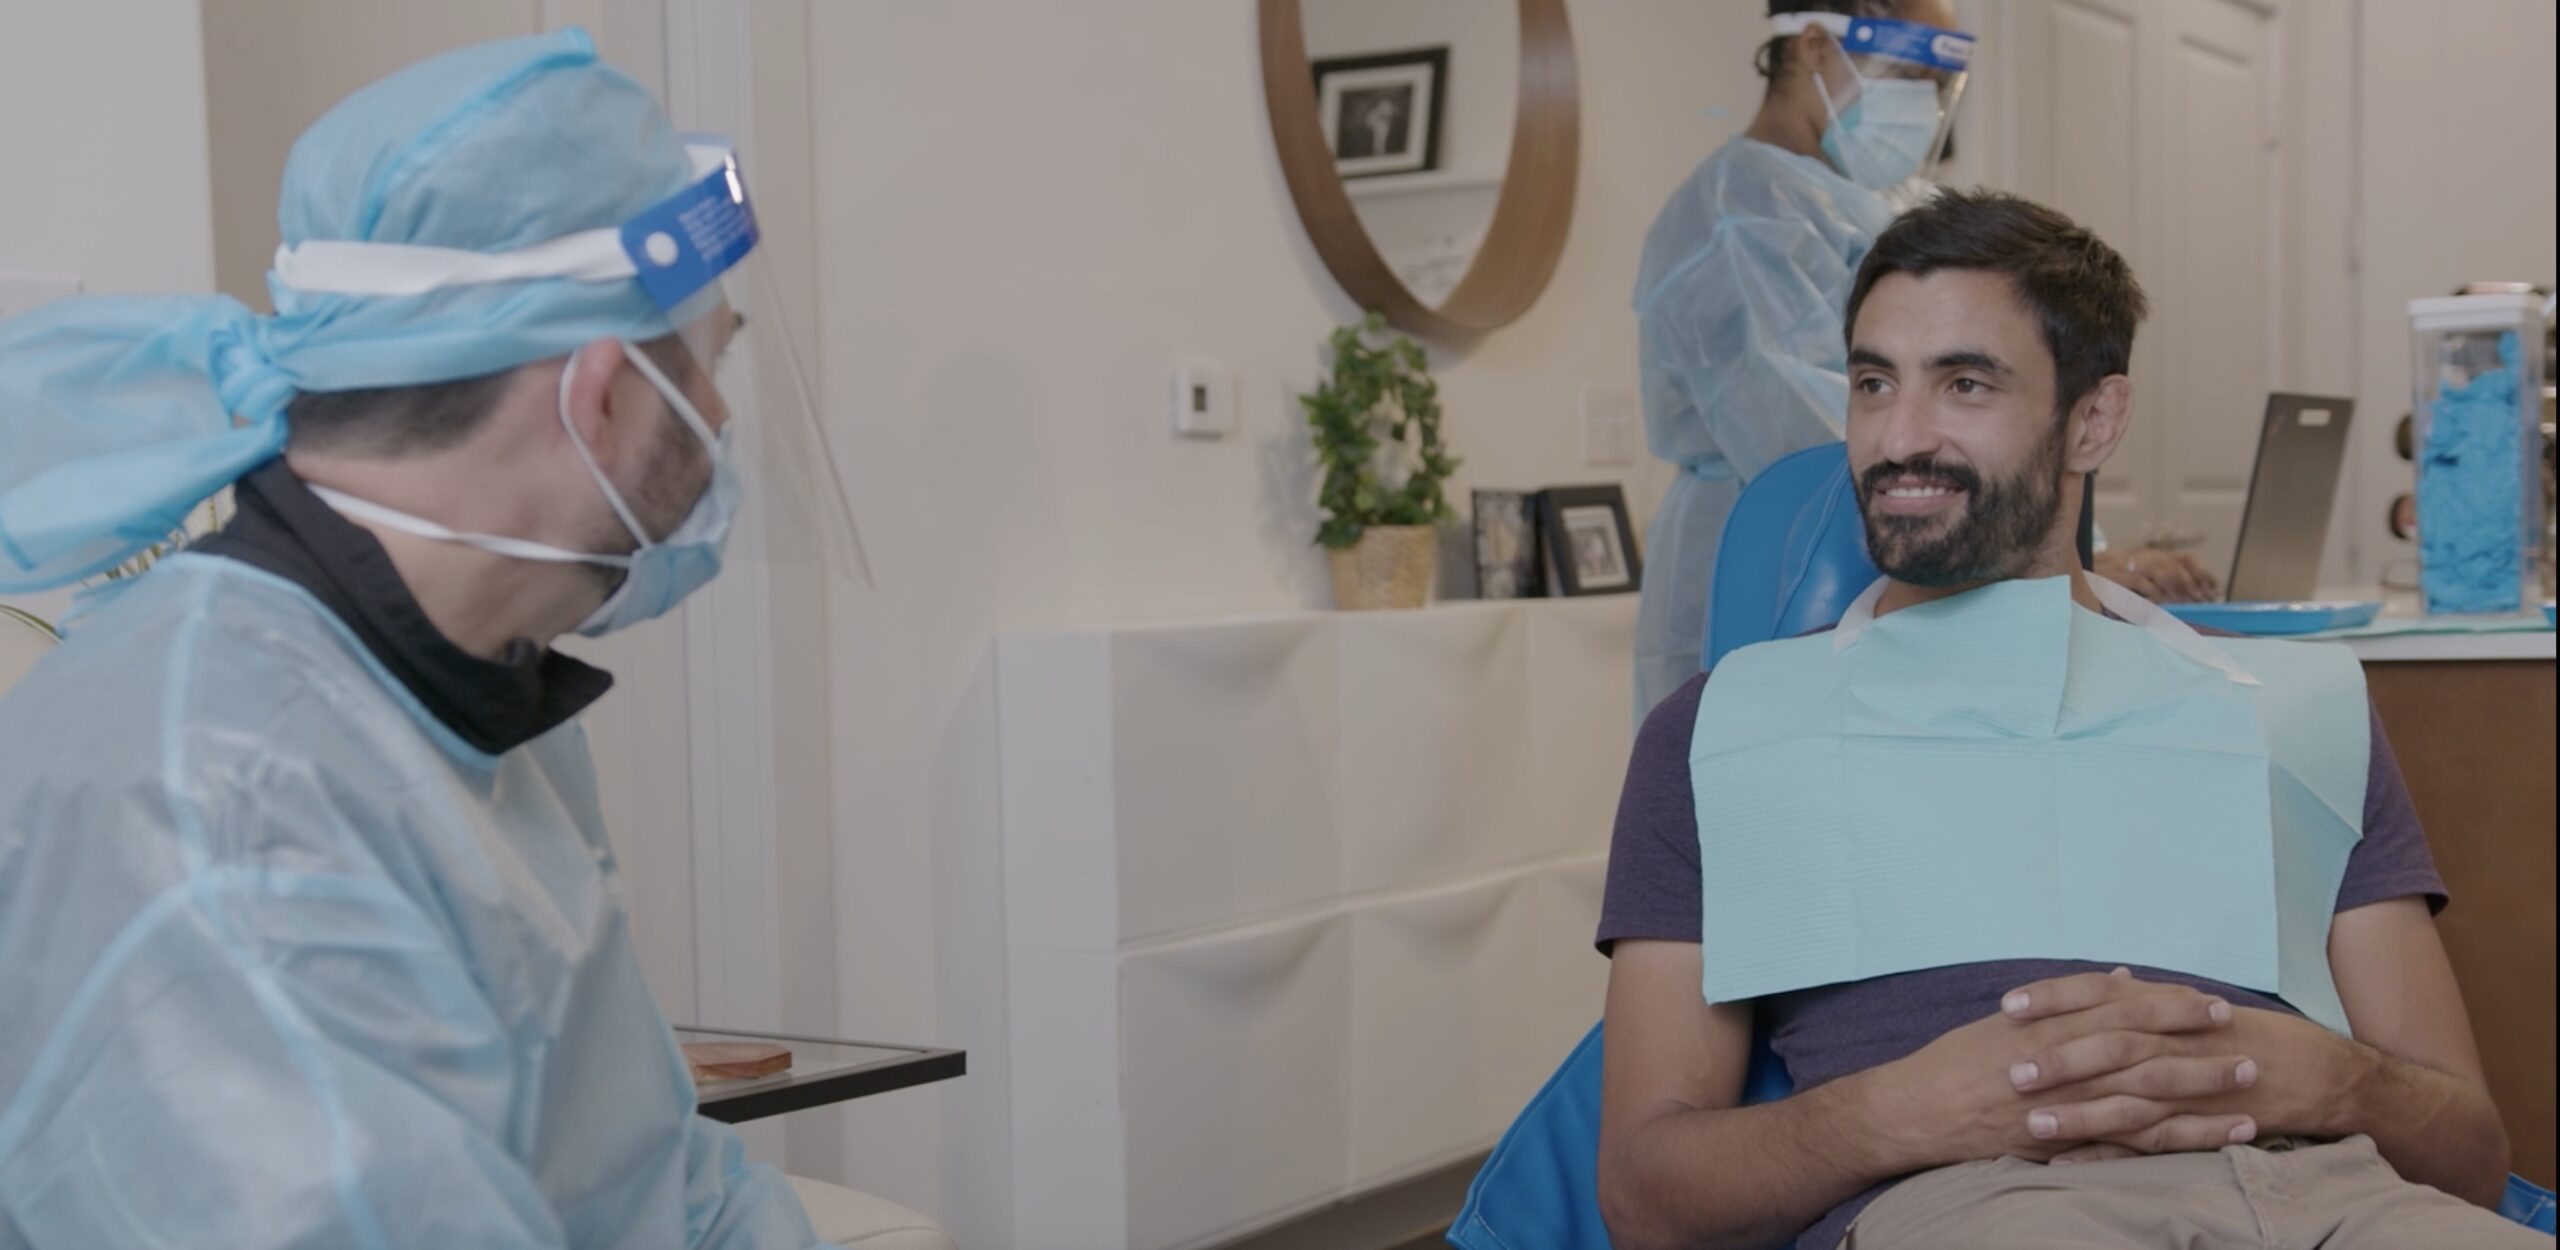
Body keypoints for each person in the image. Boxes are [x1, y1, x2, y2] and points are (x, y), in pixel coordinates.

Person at [0, 31, 829, 1248]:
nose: (716, 419)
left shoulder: (468, 697)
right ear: (596, 395)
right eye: (709, 371)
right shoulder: (218, 796)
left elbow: (653, 1182)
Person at [1594, 191, 2531, 1249]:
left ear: (2094, 420)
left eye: (1965, 384)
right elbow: (1645, 1198)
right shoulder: (1721, 732)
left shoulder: (2289, 715)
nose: (1899, 437)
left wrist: (2333, 1080)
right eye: (1872, 383)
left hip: (2332, 1196)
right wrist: (1900, 1111)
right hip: (1988, 1209)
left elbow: (2470, 1158)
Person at [1629, 2, 2214, 718]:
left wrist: (2074, 554)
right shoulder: (1735, 217)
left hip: (1936, 569)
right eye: (1910, 77)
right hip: (1779, 564)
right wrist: (2072, 560)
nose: (1927, 106)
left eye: (1939, 87)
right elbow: (1808, 435)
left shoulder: (1884, 203)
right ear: (1815, 46)